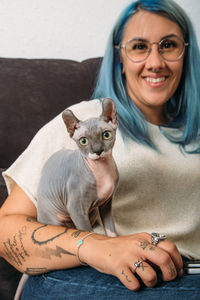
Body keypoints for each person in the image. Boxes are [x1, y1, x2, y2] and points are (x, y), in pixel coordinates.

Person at [0, 0, 200, 299]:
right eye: (139, 46)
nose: (155, 62)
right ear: (119, 56)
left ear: (186, 52)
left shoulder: (194, 133)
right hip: (95, 276)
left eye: (168, 45)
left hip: (187, 274)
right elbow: (5, 231)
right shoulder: (86, 120)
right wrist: (96, 246)